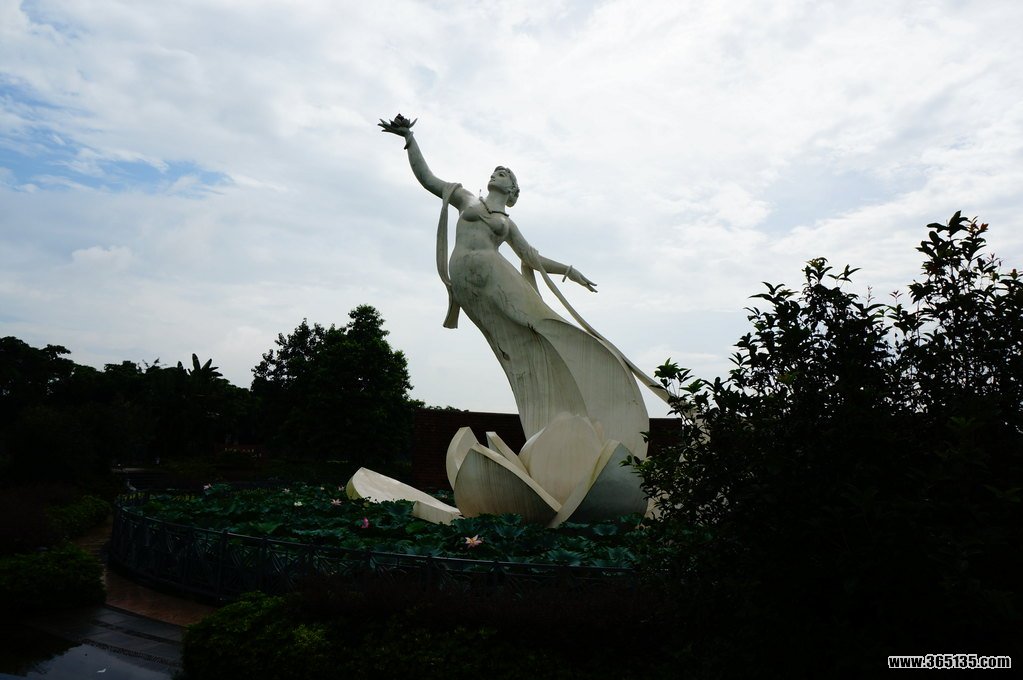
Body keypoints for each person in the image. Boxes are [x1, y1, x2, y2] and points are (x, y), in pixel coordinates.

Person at [379, 115, 648, 458]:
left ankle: (576, 398)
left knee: (538, 325)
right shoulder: (465, 198)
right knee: (506, 345)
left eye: (503, 174)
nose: (496, 173)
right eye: (495, 171)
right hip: (465, 280)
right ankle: (547, 416)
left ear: (512, 191)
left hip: (495, 275)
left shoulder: (507, 224)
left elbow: (531, 257)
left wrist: (568, 270)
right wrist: (410, 139)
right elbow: (427, 179)